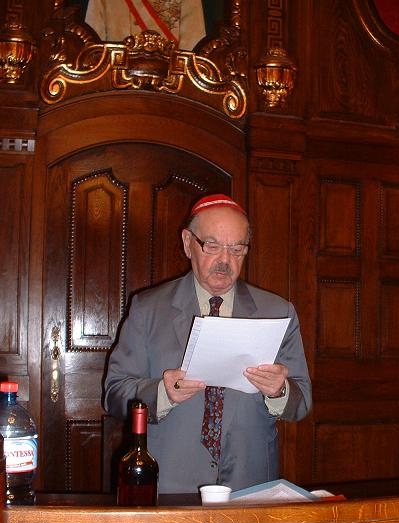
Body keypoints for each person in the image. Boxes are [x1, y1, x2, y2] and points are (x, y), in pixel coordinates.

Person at [104, 194, 312, 493]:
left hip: (251, 483)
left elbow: (302, 401)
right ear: (188, 243)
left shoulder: (278, 311)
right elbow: (114, 394)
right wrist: (162, 393)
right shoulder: (148, 309)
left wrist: (279, 391)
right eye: (212, 246)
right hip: (171, 481)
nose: (225, 261)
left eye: (237, 249)